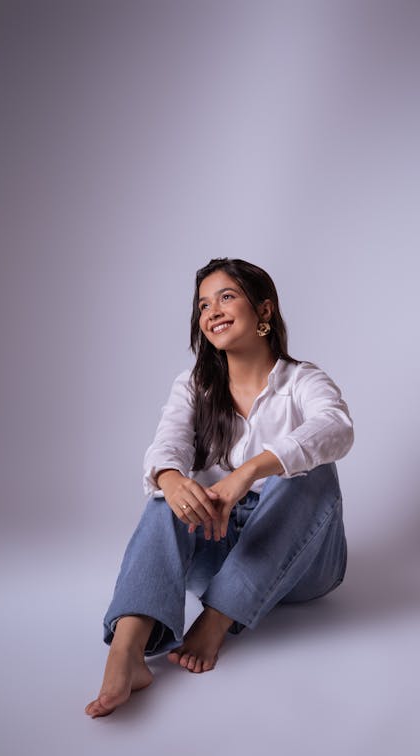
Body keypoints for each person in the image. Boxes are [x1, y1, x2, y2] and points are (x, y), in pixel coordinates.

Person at [85, 257, 354, 718]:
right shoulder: (193, 386)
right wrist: (171, 480)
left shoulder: (302, 380)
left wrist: (248, 472)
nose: (212, 311)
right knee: (167, 494)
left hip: (306, 566)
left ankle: (215, 619)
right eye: (203, 305)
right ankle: (128, 649)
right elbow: (165, 446)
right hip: (221, 550)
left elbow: (337, 428)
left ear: (263, 311)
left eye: (226, 296)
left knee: (310, 470)